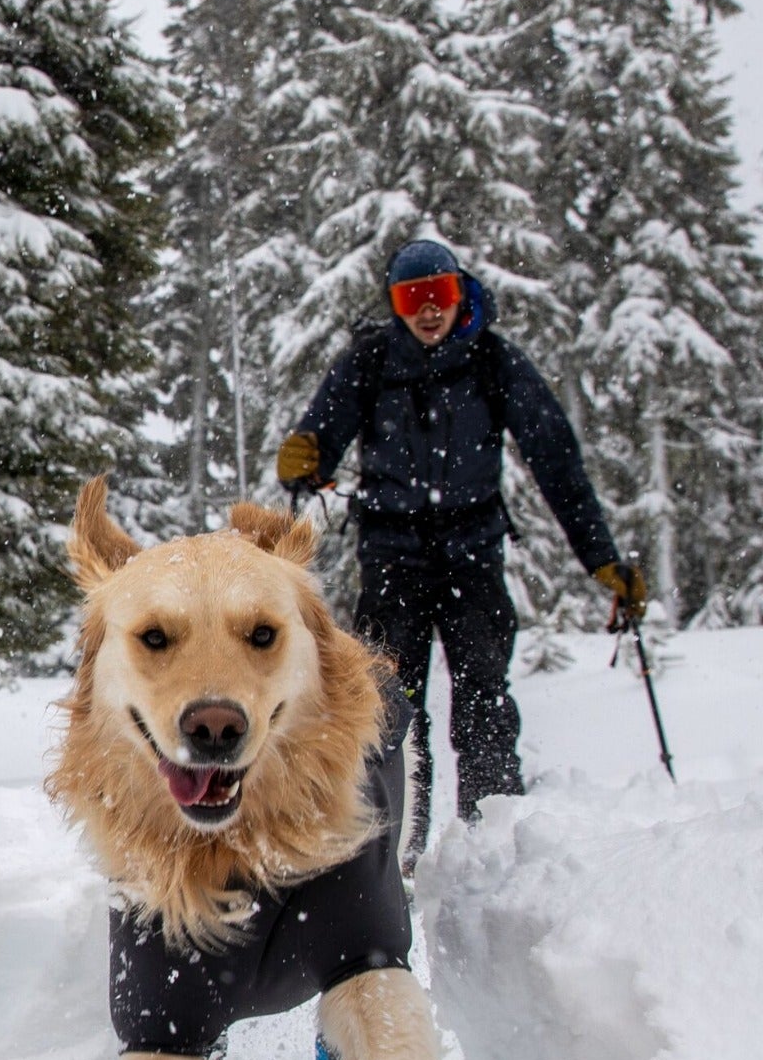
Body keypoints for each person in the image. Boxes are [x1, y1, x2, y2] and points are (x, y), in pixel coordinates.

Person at [275, 239, 646, 848]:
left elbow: (556, 462)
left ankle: (492, 845)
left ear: (460, 292)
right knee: (387, 707)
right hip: (392, 556)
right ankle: (389, 852)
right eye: (411, 297)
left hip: (473, 553)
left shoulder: (493, 362)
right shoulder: (368, 362)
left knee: (484, 702)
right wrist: (302, 462)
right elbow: (317, 445)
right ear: (394, 304)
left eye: (439, 295)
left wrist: (600, 558)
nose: (427, 311)